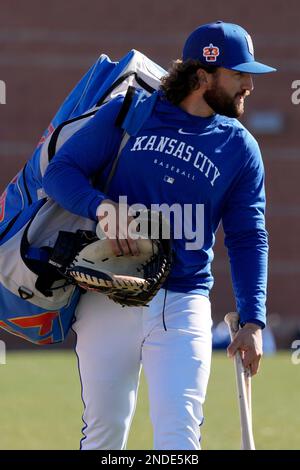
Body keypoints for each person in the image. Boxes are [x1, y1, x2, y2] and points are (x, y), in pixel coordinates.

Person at [43, 21, 276, 450]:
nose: (249, 85)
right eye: (239, 74)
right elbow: (58, 172)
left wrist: (253, 319)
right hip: (108, 293)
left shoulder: (240, 147)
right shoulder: (132, 112)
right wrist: (102, 206)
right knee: (104, 435)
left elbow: (248, 237)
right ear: (202, 75)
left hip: (183, 301)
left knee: (180, 441)